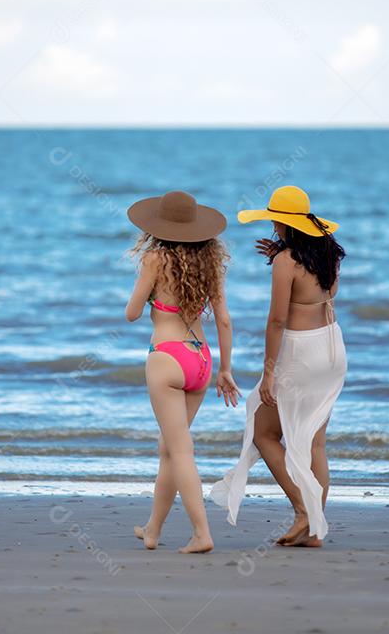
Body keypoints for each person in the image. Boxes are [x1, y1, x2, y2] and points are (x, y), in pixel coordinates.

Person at [211, 185, 346, 547]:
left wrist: (268, 372)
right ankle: (315, 529)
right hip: (332, 347)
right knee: (315, 441)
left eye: (275, 221)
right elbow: (313, 290)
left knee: (262, 430)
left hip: (300, 353)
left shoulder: (287, 262)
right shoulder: (329, 253)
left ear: (281, 223)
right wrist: (284, 254)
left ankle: (304, 511)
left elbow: (276, 321)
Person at [126, 190, 241, 554]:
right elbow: (223, 318)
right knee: (170, 449)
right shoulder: (209, 264)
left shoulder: (154, 259)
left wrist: (149, 297)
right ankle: (153, 530)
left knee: (180, 451)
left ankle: (202, 533)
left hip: (167, 357)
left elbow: (130, 313)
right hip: (201, 359)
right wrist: (226, 369)